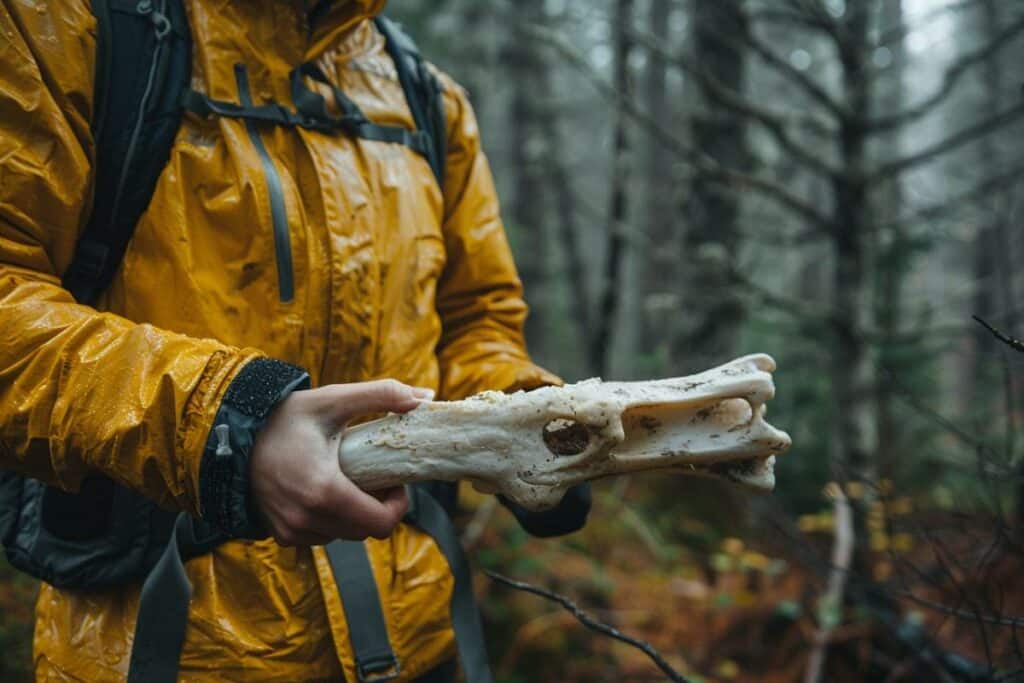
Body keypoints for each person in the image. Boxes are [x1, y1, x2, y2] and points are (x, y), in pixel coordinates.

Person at [0, 1, 590, 680]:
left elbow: (474, 319)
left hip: (416, 635)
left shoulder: (425, 96)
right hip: (164, 649)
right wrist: (224, 425)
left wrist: (527, 414)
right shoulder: (69, 27)